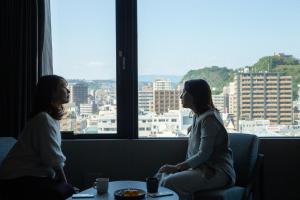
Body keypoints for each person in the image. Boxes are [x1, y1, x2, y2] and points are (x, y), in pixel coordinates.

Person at [157, 79, 236, 200]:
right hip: (201, 168)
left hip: (216, 172)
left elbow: (203, 154)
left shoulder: (209, 120)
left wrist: (177, 167)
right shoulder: (198, 116)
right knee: (161, 175)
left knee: (171, 182)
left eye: (184, 92)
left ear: (195, 96)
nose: (180, 96)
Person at [0, 75, 75, 200]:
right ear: (52, 92)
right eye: (63, 86)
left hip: (28, 177)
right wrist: (66, 186)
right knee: (66, 191)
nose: (68, 91)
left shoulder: (49, 119)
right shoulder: (43, 119)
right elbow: (53, 158)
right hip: (17, 179)